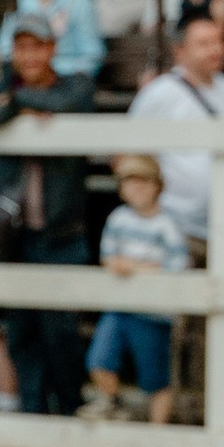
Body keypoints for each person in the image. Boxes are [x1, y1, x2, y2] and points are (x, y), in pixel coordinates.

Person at [0, 18, 95, 415]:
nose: (29, 56)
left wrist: (17, 105)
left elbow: (69, 104)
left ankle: (68, 409)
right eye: (21, 48)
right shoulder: (6, 87)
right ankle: (33, 410)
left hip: (61, 231)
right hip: (17, 234)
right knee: (21, 329)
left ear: (52, 48)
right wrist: (20, 105)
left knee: (61, 331)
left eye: (37, 46)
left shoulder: (74, 84)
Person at [124, 9, 224, 256]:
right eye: (204, 43)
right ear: (179, 51)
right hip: (174, 226)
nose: (215, 49)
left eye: (218, 41)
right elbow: (128, 151)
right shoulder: (159, 93)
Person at [81, 153, 190, 425]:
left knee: (155, 375)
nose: (137, 189)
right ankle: (112, 403)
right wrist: (133, 266)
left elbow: (176, 266)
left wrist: (135, 268)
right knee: (99, 360)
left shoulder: (168, 224)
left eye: (143, 182)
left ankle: (157, 429)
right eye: (130, 183)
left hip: (153, 313)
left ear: (157, 186)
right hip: (121, 306)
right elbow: (109, 257)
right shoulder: (118, 219)